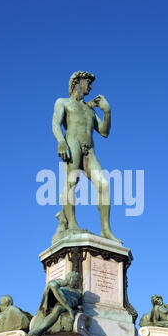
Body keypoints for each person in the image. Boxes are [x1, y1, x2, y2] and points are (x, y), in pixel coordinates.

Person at [52, 71, 120, 243]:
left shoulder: (89, 110)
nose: (90, 86)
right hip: (72, 143)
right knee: (71, 182)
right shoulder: (63, 102)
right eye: (88, 82)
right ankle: (71, 223)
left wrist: (107, 112)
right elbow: (55, 123)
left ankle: (105, 230)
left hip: (89, 150)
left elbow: (104, 132)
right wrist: (61, 141)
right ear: (78, 82)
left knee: (104, 184)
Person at [22, 271, 83, 336]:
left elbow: (79, 304)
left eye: (77, 280)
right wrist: (64, 282)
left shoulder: (78, 291)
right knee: (51, 285)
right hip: (56, 299)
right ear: (69, 278)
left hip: (65, 304)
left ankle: (38, 330)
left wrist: (77, 307)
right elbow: (52, 285)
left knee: (58, 308)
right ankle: (67, 308)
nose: (76, 281)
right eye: (75, 279)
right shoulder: (63, 287)